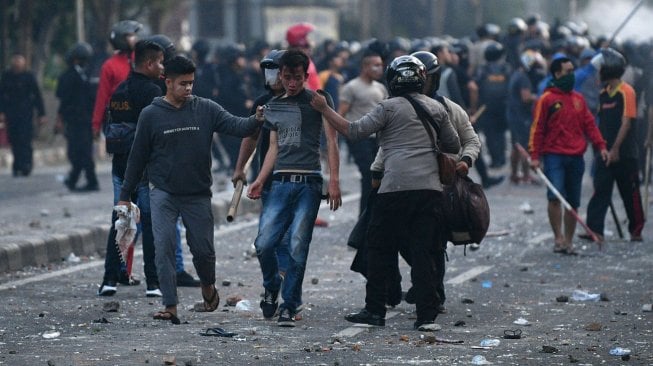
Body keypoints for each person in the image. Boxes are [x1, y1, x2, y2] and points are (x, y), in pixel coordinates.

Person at [311, 55, 460, 331]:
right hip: (429, 190)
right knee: (424, 252)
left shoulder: (387, 108)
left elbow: (353, 131)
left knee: (380, 249)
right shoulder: (436, 108)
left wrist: (324, 109)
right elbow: (452, 143)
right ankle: (426, 316)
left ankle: (375, 310)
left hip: (393, 189)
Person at [118, 55, 264, 324]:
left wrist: (256, 119)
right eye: (182, 84)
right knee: (163, 247)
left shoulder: (205, 108)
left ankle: (208, 286)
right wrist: (125, 195)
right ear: (167, 82)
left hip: (197, 193)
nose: (188, 89)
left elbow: (237, 126)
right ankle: (170, 305)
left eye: (191, 83)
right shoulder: (150, 115)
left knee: (204, 250)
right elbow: (137, 157)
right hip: (163, 192)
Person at [247, 49, 342, 327]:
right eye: (287, 77)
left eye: (297, 77)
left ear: (305, 75)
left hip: (309, 183)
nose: (291, 83)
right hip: (279, 183)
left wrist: (333, 181)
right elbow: (273, 148)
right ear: (280, 75)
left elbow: (331, 141)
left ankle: (289, 306)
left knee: (299, 247)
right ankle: (271, 284)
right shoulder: (274, 106)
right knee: (264, 244)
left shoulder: (319, 101)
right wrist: (261, 179)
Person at [97, 40, 166, 298]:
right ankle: (153, 283)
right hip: (146, 171)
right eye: (159, 62)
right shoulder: (152, 91)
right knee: (149, 224)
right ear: (148, 63)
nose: (161, 67)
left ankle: (108, 280)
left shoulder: (119, 92)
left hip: (121, 168)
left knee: (121, 223)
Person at [529, 56, 608, 255]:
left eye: (573, 70)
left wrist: (601, 146)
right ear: (556, 74)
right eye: (567, 71)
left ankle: (569, 241)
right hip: (553, 156)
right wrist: (535, 155)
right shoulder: (546, 99)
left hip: (576, 158)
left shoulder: (578, 99)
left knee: (573, 202)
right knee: (555, 198)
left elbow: (590, 125)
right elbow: (537, 128)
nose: (572, 75)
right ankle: (558, 238)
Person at [146, 33, 201, 288]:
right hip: (162, 164)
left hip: (160, 163)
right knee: (163, 225)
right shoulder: (158, 90)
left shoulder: (155, 83)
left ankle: (117, 273)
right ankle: (169, 272)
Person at [585, 48, 645, 242]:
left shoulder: (626, 91)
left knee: (630, 192)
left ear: (609, 69)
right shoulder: (604, 93)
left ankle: (636, 230)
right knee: (600, 190)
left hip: (625, 153)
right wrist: (602, 148)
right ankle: (595, 230)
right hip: (604, 152)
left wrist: (615, 149)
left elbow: (626, 122)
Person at [338, 49, 387, 215]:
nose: (380, 69)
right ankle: (364, 215)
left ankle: (375, 213)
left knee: (379, 176)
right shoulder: (351, 87)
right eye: (376, 65)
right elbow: (340, 114)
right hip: (359, 139)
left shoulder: (381, 88)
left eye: (381, 65)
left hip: (377, 139)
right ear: (365, 67)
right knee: (368, 174)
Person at [56, 43, 99, 191]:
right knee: (77, 152)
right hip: (74, 120)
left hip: (83, 120)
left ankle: (88, 181)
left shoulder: (88, 75)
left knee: (83, 152)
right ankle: (74, 179)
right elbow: (64, 100)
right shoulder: (70, 76)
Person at [91, 20, 142, 137]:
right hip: (118, 122)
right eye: (130, 35)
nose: (135, 38)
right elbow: (102, 96)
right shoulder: (109, 66)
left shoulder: (141, 60)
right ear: (121, 39)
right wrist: (96, 124)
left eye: (134, 35)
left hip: (140, 118)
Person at [0, 54, 47, 177]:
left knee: (25, 140)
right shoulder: (7, 77)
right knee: (14, 140)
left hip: (26, 113)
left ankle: (26, 164)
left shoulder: (29, 77)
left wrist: (42, 114)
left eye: (19, 62)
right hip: (11, 113)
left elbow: (37, 95)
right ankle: (17, 165)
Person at [506, 50, 545, 184]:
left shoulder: (516, 74)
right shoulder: (524, 78)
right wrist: (540, 98)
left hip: (513, 114)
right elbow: (526, 97)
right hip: (521, 117)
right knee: (524, 145)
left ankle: (514, 174)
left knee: (515, 146)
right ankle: (526, 175)